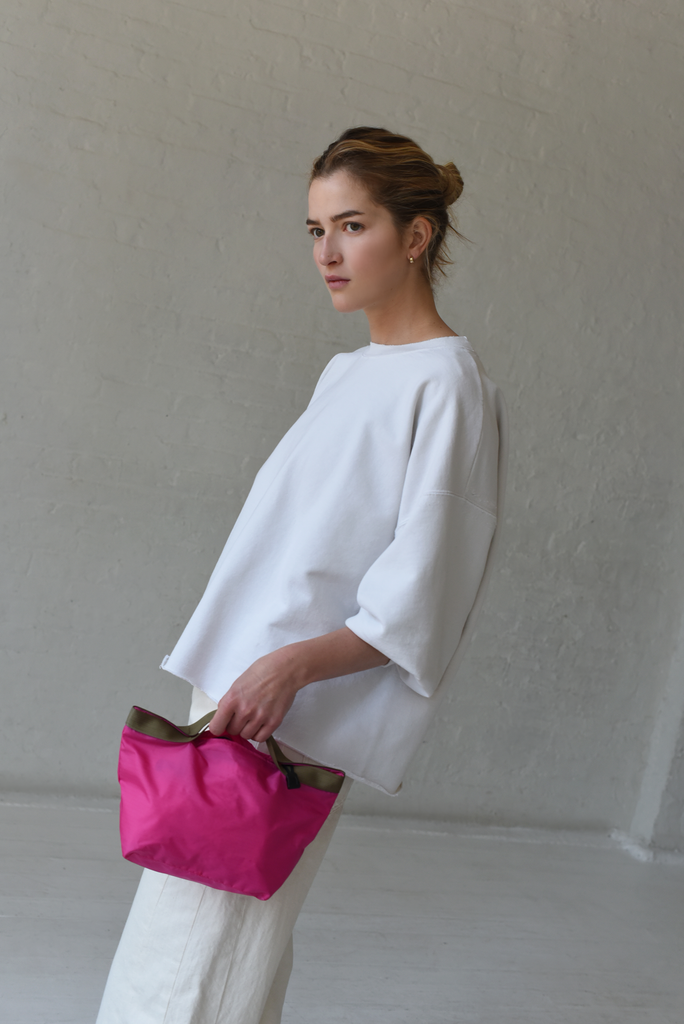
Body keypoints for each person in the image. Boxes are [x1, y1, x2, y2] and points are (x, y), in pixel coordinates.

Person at [96, 126, 507, 1024]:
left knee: (198, 954)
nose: (327, 253)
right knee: (216, 946)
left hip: (296, 706)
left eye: (352, 226)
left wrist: (289, 669)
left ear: (416, 235)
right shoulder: (348, 372)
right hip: (242, 690)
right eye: (316, 230)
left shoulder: (448, 386)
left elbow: (424, 589)